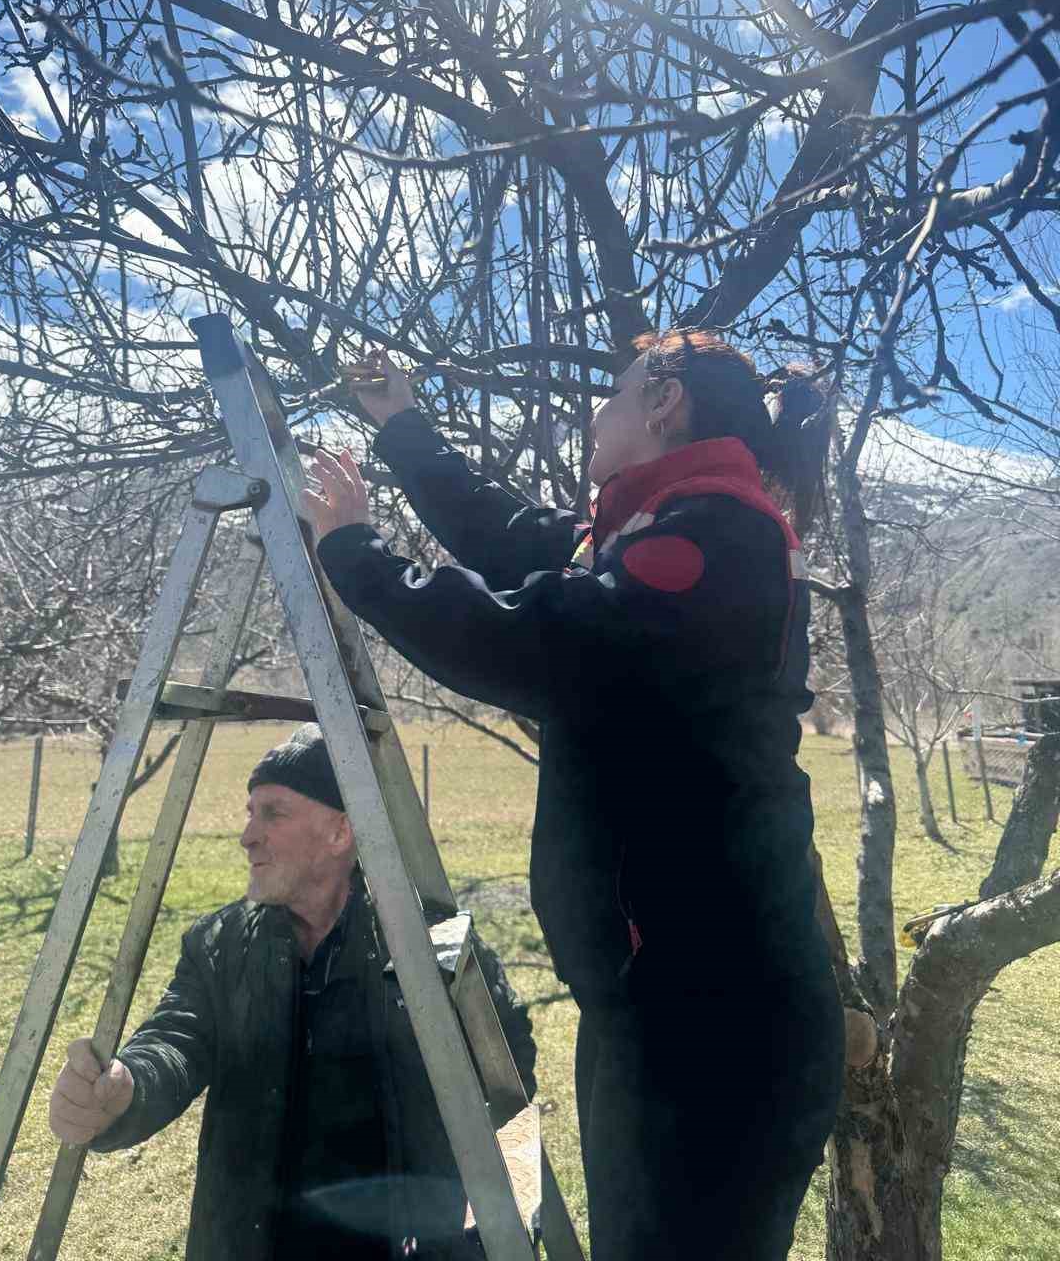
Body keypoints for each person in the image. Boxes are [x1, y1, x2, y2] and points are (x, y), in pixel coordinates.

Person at [303, 330, 845, 1261]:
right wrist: (399, 423)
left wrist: (355, 553)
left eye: (616, 392)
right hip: (665, 1002)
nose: (597, 414)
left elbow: (529, 642)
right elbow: (504, 536)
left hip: (715, 1025)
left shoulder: (720, 539)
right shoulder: (656, 528)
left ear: (663, 401)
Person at [48, 725, 536, 1261]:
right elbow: (174, 1041)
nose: (247, 836)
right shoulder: (221, 944)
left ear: (340, 832)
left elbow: (509, 1080)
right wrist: (126, 1086)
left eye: (273, 814)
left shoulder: (428, 944)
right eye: (249, 813)